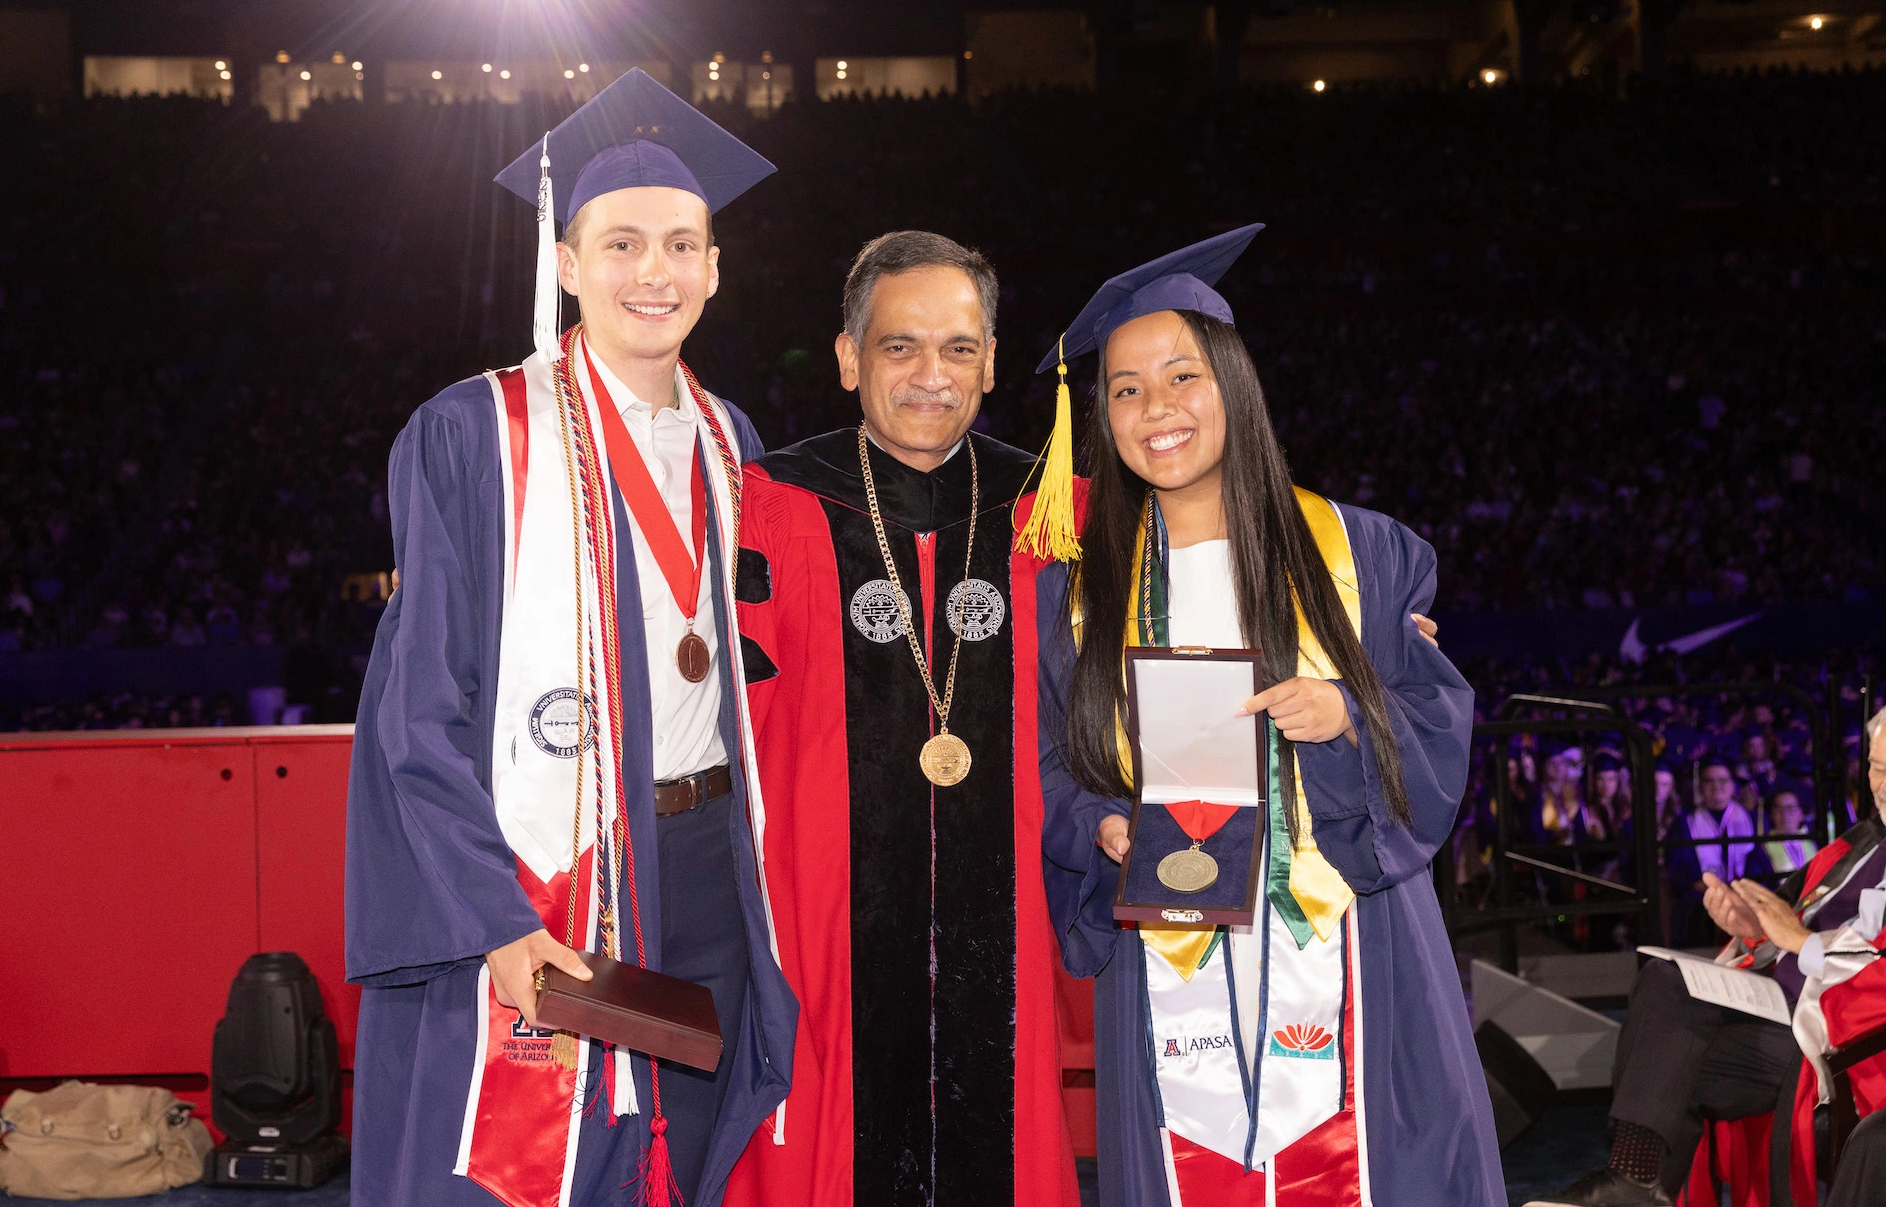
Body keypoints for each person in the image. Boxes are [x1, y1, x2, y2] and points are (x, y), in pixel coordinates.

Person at [344, 70, 797, 1207]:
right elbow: (416, 707)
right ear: (566, 262)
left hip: (710, 869)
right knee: (538, 1167)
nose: (655, 272)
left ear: (714, 268)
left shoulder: (733, 440)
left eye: (682, 246)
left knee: (687, 1157)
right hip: (555, 867)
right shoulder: (475, 433)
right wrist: (494, 919)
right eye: (622, 244)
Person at [1034, 228, 1501, 1204]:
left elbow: (1437, 717)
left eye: (1183, 376)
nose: (1157, 409)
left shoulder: (1360, 554)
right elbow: (1050, 761)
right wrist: (1101, 823)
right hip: (1170, 938)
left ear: (1234, 385)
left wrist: (1347, 711)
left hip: (1348, 935)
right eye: (1125, 390)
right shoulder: (1075, 596)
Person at [725, 231, 1078, 1206]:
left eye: (959, 348)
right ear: (849, 358)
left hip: (1008, 923)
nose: (932, 374)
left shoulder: (1053, 512)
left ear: (992, 361)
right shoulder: (766, 505)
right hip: (822, 924)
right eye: (899, 346)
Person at [1523, 708, 1886, 1207]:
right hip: (1786, 1003)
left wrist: (1799, 940)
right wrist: (1757, 930)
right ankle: (1635, 1184)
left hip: (1841, 1034)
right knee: (1662, 983)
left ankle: (1636, 1189)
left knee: (1670, 1056)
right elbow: (1793, 927)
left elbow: (1866, 969)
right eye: (1876, 767)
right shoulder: (1856, 845)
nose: (1880, 785)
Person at [1669, 762, 1756, 944]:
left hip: (1744, 891)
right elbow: (1680, 867)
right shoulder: (1685, 822)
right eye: (1709, 781)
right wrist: (1711, 887)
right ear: (1700, 786)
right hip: (1703, 896)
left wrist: (1741, 887)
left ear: (1732, 785)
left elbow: (1758, 862)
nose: (1717, 786)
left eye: (1723, 780)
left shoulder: (1751, 819)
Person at [1749, 787, 1816, 880]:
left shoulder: (1814, 841)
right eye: (1778, 809)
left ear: (1801, 814)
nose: (1785, 814)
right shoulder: (1761, 851)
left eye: (1791, 808)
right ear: (1771, 815)